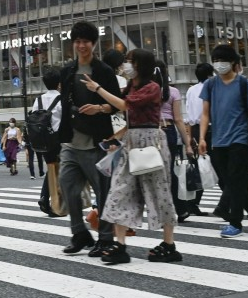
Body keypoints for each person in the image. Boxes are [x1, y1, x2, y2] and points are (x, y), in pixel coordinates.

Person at [81, 49, 183, 264]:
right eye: (126, 61)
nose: (126, 65)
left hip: (151, 142)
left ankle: (169, 243)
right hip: (132, 141)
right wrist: (111, 132)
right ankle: (120, 245)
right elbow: (125, 112)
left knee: (160, 193)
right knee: (119, 191)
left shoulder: (152, 87)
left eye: (130, 61)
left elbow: (126, 106)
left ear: (141, 65)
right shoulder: (132, 86)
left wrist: (97, 89)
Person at [57, 21, 120, 256]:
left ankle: (105, 238)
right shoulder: (67, 70)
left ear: (93, 44)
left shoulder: (103, 71)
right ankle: (79, 233)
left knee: (102, 192)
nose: (81, 46)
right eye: (77, 41)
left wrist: (100, 108)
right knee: (68, 186)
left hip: (96, 141)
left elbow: (117, 105)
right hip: (71, 140)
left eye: (85, 41)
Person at [199, 44, 248, 238]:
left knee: (235, 179)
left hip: (240, 138)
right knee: (230, 181)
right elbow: (205, 114)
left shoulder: (244, 84)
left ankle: (234, 221)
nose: (220, 64)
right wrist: (202, 138)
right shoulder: (210, 85)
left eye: (224, 60)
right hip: (218, 139)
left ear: (234, 63)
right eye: (216, 60)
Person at [156, 61, 193, 222]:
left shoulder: (145, 90)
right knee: (169, 173)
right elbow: (178, 120)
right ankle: (181, 208)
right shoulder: (173, 92)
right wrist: (188, 144)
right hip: (168, 131)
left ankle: (161, 210)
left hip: (150, 132)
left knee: (151, 172)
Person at [34, 68, 65, 217]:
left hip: (41, 140)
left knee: (52, 168)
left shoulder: (38, 100)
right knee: (56, 170)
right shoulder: (61, 99)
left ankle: (45, 198)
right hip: (57, 139)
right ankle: (52, 204)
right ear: (59, 83)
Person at [183, 63, 213, 215]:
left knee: (196, 167)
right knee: (219, 164)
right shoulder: (212, 87)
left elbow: (188, 115)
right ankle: (228, 200)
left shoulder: (190, 90)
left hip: (195, 130)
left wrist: (188, 137)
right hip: (211, 128)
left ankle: (192, 203)